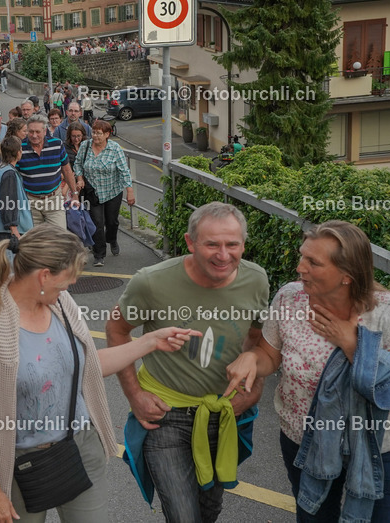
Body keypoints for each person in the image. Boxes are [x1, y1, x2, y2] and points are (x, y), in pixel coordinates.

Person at [0, 226, 198, 522]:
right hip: (19, 463)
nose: (69, 287)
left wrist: (150, 341)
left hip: (79, 446)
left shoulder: (61, 305)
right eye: (66, 280)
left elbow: (88, 368)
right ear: (44, 276)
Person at [106, 202, 270, 523]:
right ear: (190, 242)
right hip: (165, 415)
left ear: (243, 245)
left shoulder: (256, 279)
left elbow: (257, 338)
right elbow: (116, 328)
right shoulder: (151, 281)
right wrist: (135, 395)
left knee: (209, 509)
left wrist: (255, 388)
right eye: (212, 244)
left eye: (232, 244)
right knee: (183, 515)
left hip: (221, 414)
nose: (223, 255)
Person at [225, 221, 390, 522]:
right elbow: (269, 355)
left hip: (377, 447)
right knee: (314, 516)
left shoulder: (386, 311)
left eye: (313, 262)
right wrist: (251, 358)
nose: (299, 267)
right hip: (304, 440)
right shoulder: (289, 298)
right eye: (302, 256)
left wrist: (351, 344)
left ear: (347, 275)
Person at [74, 119, 135, 267]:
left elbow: (124, 171)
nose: (95, 136)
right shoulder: (85, 146)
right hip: (93, 192)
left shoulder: (114, 148)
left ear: (107, 134)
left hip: (112, 191)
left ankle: (112, 239)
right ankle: (99, 254)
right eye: (94, 132)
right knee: (97, 223)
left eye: (99, 133)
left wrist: (130, 190)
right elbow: (78, 164)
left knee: (111, 222)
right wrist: (80, 178)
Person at [17, 115, 79, 231]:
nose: (34, 135)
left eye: (37, 132)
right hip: (30, 201)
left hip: (54, 199)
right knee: (35, 238)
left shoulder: (57, 144)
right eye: (31, 132)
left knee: (59, 235)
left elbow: (67, 170)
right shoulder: (20, 148)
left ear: (45, 131)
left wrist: (74, 194)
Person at [0, 136, 33, 244]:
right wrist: (13, 228)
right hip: (9, 231)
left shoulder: (0, 168)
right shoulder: (9, 174)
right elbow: (8, 201)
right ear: (18, 153)